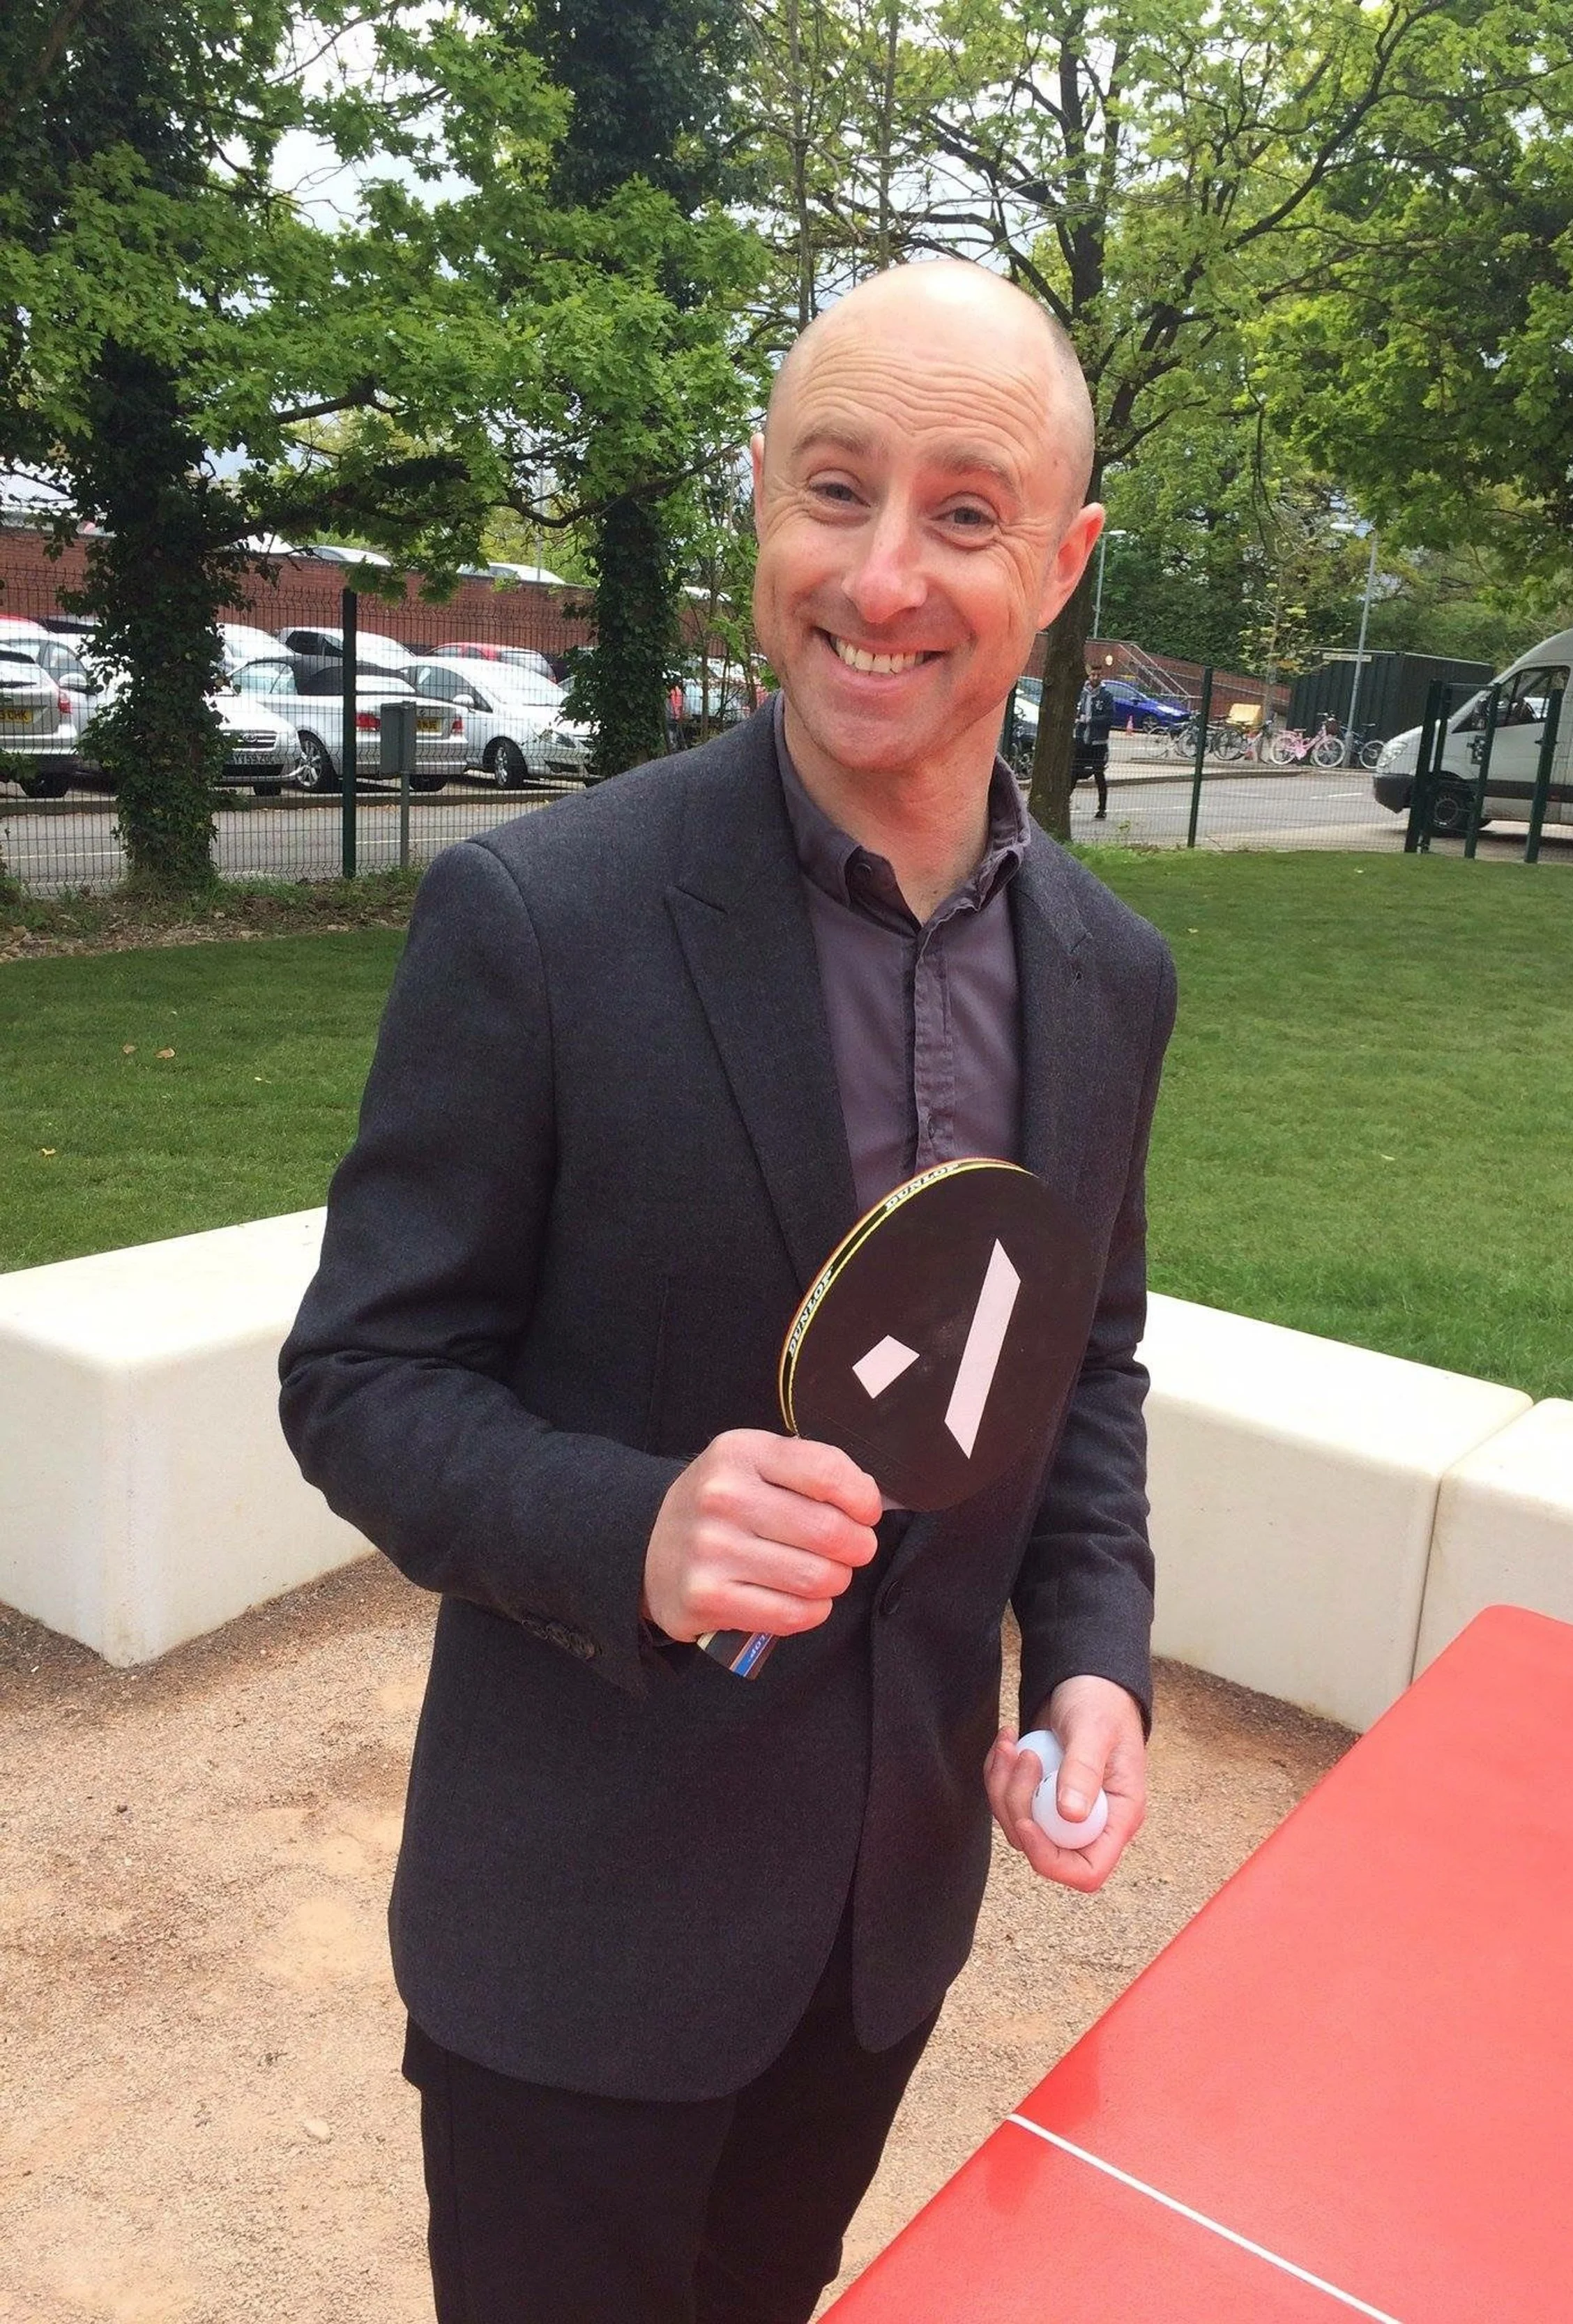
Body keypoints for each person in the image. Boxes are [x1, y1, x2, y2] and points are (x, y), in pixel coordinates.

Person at [279, 258, 1176, 2324]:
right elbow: (367, 1374)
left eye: (961, 512)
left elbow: (1077, 1359)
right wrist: (638, 1523)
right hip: (577, 1932)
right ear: (755, 507)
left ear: (1059, 562)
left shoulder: (1109, 978)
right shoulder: (538, 919)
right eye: (828, 489)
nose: (877, 577)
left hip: (880, 1915)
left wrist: (1091, 1657)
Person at [1074, 669, 1116, 818]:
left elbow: (1109, 718)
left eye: (1098, 675)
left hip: (1098, 742)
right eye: (1093, 675)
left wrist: (1091, 720)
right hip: (1081, 740)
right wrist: (1079, 720)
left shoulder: (1106, 696)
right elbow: (1077, 712)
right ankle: (1064, 802)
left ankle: (1102, 808)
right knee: (1073, 772)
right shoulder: (1083, 694)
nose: (1095, 678)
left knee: (1099, 774)